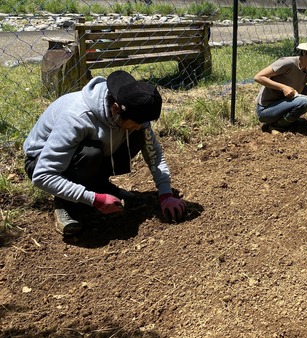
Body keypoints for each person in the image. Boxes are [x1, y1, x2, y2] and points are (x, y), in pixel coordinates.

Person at [23, 70, 186, 236]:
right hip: (42, 163)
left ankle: (99, 185)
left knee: (138, 135)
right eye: (134, 123)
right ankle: (65, 202)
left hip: (83, 156)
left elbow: (154, 154)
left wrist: (165, 194)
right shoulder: (76, 117)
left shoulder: (133, 109)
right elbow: (42, 175)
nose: (139, 126)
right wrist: (94, 199)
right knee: (90, 154)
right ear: (116, 109)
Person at [254, 36, 307, 133]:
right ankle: (276, 126)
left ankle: (287, 120)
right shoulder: (288, 63)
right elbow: (258, 77)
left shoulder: (306, 73)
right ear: (304, 53)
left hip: (283, 103)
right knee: (303, 102)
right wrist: (283, 87)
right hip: (266, 110)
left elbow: (296, 95)